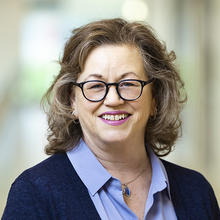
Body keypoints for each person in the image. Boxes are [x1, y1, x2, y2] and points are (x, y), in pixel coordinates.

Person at [2, 18, 220, 220]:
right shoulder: (33, 194)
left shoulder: (197, 191)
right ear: (72, 102)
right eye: (96, 86)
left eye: (128, 83)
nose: (113, 99)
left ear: (155, 98)